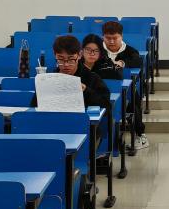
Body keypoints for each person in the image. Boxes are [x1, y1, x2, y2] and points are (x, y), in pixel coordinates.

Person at [102, 21, 148, 149]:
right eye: (108, 38)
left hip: (123, 88)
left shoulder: (130, 51)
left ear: (121, 36)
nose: (111, 41)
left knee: (133, 97)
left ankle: (141, 135)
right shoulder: (98, 50)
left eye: (115, 38)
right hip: (101, 87)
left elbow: (137, 61)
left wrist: (123, 63)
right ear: (103, 37)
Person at [51, 35, 110, 109]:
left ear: (79, 55)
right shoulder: (50, 79)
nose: (66, 64)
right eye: (61, 59)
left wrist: (86, 90)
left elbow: (106, 105)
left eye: (71, 59)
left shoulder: (92, 78)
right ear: (55, 55)